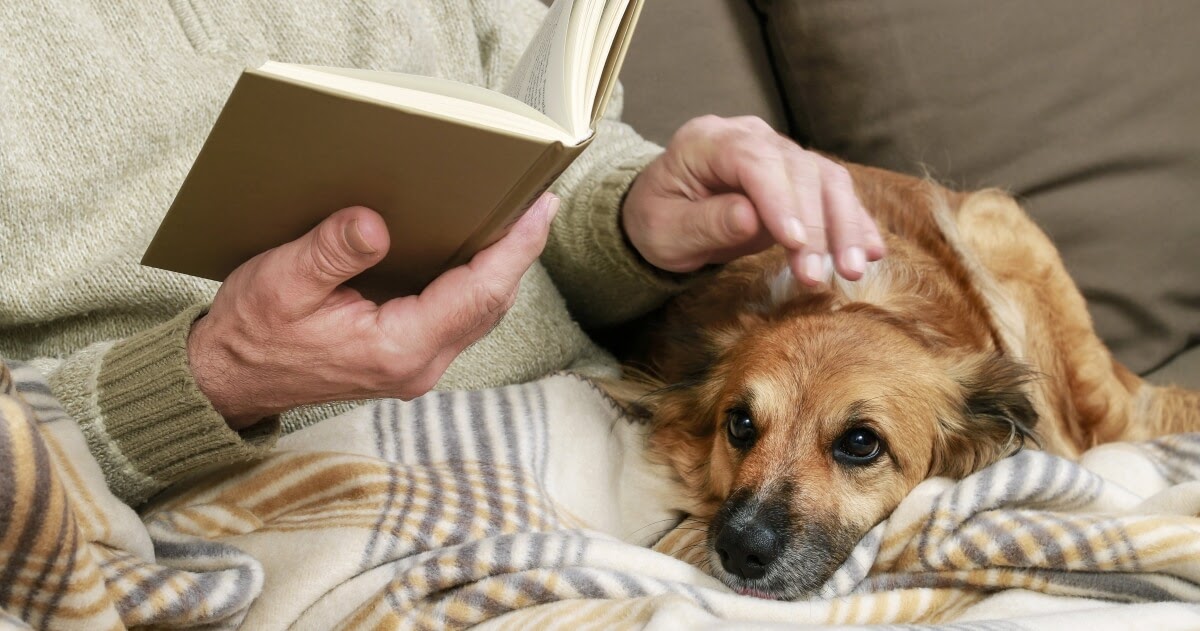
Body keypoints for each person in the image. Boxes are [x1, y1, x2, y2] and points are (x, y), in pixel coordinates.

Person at [0, 0, 883, 506]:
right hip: (273, 509)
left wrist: (634, 221)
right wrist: (217, 376)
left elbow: (546, 158)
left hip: (621, 448)